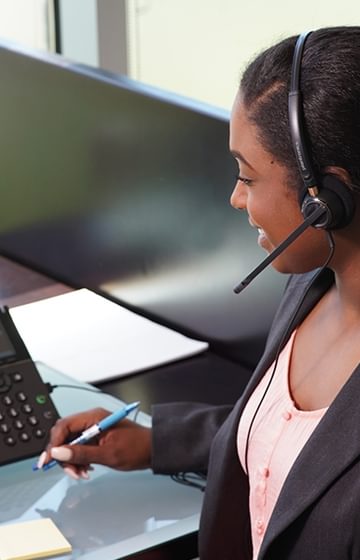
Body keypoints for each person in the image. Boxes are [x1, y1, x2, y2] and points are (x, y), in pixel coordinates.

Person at [37, 27, 360, 559]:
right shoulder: (312, 282)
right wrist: (152, 440)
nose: (236, 198)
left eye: (248, 176)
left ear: (327, 197)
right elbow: (295, 438)